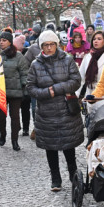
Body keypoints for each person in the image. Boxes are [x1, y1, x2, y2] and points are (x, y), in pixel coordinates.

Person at [26, 30, 84, 191]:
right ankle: (55, 178)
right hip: (46, 112)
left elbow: (76, 81)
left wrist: (56, 88)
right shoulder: (35, 65)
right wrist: (46, 93)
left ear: (57, 44)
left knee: (68, 145)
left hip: (66, 109)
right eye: (46, 45)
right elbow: (30, 87)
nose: (49, 48)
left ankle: (73, 175)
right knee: (50, 147)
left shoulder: (67, 60)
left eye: (52, 44)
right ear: (41, 47)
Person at [0, 31, 29, 150]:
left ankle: (14, 140)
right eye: (0, 40)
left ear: (10, 42)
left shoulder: (18, 56)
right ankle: (2, 134)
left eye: (4, 40)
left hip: (15, 92)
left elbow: (24, 73)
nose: (1, 42)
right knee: (0, 117)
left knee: (15, 117)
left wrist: (24, 88)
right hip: (0, 92)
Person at [78, 30, 104, 98]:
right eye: (94, 39)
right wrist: (77, 94)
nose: (95, 41)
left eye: (99, 39)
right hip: (89, 94)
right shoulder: (87, 57)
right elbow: (81, 77)